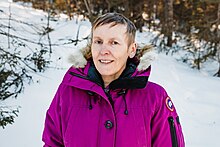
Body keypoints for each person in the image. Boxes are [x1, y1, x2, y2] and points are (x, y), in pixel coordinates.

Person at [42, 13, 185, 147]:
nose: (103, 50)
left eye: (114, 43)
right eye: (98, 41)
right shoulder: (67, 91)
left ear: (131, 49)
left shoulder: (155, 97)